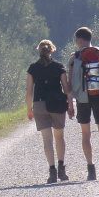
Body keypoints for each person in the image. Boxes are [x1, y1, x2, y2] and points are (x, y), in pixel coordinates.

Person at [68, 26, 99, 180]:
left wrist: (70, 103)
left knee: (86, 134)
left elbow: (69, 84)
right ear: (90, 39)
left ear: (80, 40)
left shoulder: (73, 58)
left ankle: (91, 169)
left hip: (82, 99)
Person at [26, 39, 73, 183]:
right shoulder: (59, 67)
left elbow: (29, 91)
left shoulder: (32, 68)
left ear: (39, 51)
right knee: (59, 137)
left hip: (39, 104)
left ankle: (52, 171)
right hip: (57, 104)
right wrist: (70, 105)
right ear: (52, 50)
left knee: (47, 140)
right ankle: (61, 169)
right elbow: (66, 88)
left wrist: (29, 109)